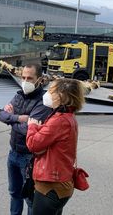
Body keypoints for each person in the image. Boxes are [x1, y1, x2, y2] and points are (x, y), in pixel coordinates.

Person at [0, 63, 52, 215]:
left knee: (30, 198)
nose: (25, 82)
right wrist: (18, 118)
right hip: (13, 153)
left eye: (30, 78)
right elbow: (1, 115)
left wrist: (11, 121)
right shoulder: (19, 95)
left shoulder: (43, 102)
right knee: (14, 193)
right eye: (23, 77)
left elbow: (29, 130)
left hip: (29, 157)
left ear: (39, 80)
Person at [26, 78, 85, 215]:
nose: (47, 95)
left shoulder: (59, 121)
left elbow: (33, 144)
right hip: (60, 184)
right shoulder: (67, 117)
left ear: (61, 96)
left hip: (50, 186)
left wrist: (32, 126)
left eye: (51, 92)